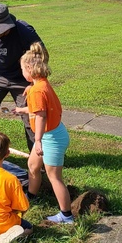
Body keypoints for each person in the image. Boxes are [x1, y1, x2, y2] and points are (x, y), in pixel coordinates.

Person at [0, 3, 45, 164]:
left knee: (30, 116)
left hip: (22, 79)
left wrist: (33, 82)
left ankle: (37, 159)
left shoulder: (24, 31)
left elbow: (42, 54)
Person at [13, 42, 73, 225]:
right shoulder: (40, 85)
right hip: (52, 134)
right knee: (32, 165)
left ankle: (67, 216)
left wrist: (37, 141)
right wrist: (22, 110)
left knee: (54, 177)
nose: (22, 73)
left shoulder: (37, 90)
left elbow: (41, 116)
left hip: (51, 138)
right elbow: (42, 108)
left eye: (23, 69)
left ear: (30, 68)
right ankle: (31, 196)